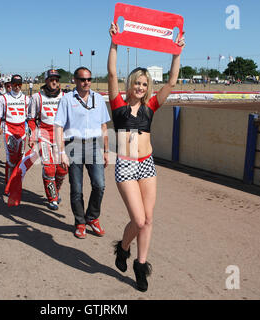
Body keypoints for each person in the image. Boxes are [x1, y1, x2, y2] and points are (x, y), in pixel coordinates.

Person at [108, 22, 185, 292]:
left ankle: (141, 266)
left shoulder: (151, 107)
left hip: (147, 165)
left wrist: (177, 52)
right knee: (138, 220)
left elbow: (173, 81)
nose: (140, 87)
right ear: (129, 85)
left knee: (149, 220)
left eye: (144, 84)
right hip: (126, 166)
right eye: (136, 83)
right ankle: (123, 247)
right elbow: (112, 71)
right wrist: (114, 42)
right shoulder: (118, 105)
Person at [54, 67, 110, 239]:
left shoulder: (99, 99)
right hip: (73, 146)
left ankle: (92, 217)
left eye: (89, 79)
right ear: (75, 81)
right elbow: (58, 127)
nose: (86, 82)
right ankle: (80, 222)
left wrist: (106, 150)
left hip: (93, 146)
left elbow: (104, 126)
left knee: (99, 185)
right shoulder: (66, 100)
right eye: (83, 79)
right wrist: (61, 152)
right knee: (76, 189)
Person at [27, 69, 68, 210]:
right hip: (43, 135)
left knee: (62, 169)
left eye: (56, 79)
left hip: (60, 136)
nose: (54, 82)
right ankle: (52, 198)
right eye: (51, 79)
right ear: (46, 81)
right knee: (49, 168)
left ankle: (55, 191)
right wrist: (32, 136)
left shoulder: (65, 96)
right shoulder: (37, 97)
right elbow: (31, 119)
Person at [0, 75, 30, 186]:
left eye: (19, 84)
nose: (17, 87)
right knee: (11, 158)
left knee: (20, 157)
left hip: (22, 130)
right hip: (9, 129)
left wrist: (31, 133)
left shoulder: (26, 99)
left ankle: (17, 181)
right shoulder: (2, 98)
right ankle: (9, 184)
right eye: (15, 84)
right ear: (11, 84)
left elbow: (30, 117)